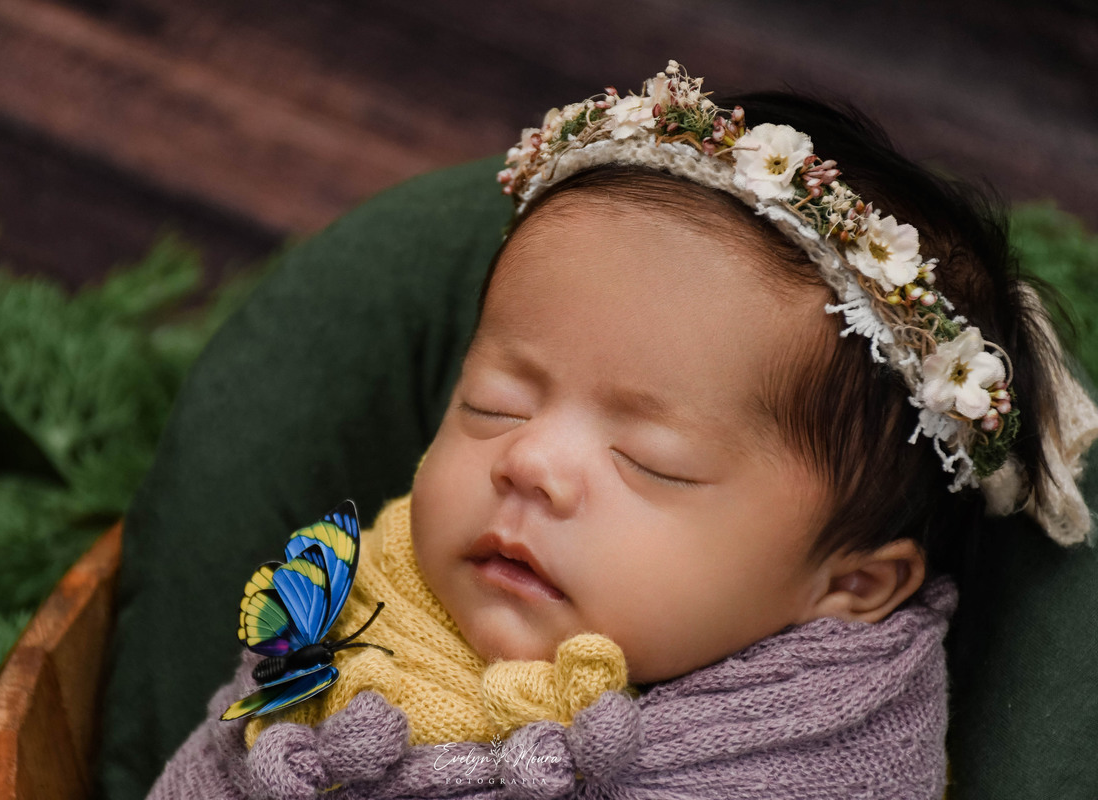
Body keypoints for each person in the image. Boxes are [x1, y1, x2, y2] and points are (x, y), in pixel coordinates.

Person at [146, 62, 1098, 799]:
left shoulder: (818, 746)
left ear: (848, 584)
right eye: (493, 406)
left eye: (650, 463)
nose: (528, 463)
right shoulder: (371, 596)